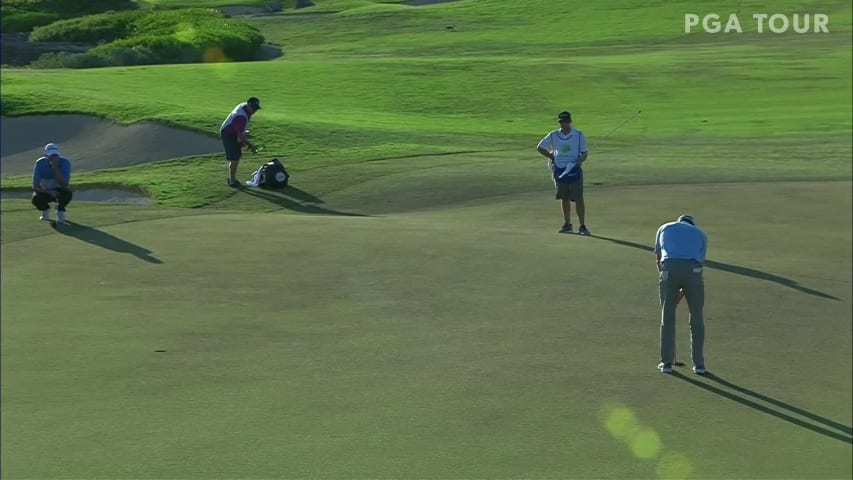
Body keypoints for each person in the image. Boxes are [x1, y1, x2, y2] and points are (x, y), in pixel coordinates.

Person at [654, 214, 708, 374]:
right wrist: (682, 292)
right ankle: (699, 366)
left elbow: (658, 257)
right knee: (696, 316)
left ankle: (666, 364)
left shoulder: (664, 227)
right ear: (692, 224)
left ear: (679, 221)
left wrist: (668, 286)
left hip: (668, 270)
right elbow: (698, 265)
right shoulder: (700, 234)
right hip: (693, 271)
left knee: (667, 315)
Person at [537, 111, 590, 235]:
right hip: (560, 170)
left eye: (566, 122)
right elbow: (540, 147)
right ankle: (567, 224)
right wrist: (552, 157)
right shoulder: (554, 135)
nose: (564, 124)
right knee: (564, 197)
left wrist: (578, 161)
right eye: (562, 122)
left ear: (570, 121)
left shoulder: (578, 135)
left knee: (578, 198)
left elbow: (584, 153)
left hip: (574, 170)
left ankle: (582, 226)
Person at [220, 96, 262, 187]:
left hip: (234, 131)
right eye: (253, 109)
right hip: (228, 133)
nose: (254, 111)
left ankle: (232, 179)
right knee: (235, 157)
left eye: (256, 109)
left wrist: (243, 141)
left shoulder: (245, 107)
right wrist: (251, 146)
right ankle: (232, 181)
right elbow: (240, 136)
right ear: (249, 105)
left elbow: (241, 134)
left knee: (237, 154)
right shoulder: (241, 117)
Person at [32, 143, 73, 223]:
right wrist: (49, 192)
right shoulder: (40, 164)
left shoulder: (65, 162)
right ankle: (45, 210)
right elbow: (35, 186)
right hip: (45, 190)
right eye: (51, 156)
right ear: (46, 155)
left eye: (55, 155)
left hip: (59, 190)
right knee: (36, 199)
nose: (54, 158)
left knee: (67, 193)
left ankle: (60, 211)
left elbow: (64, 185)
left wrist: (55, 167)